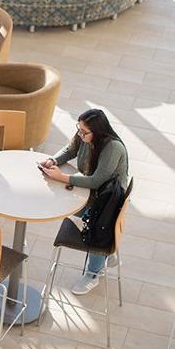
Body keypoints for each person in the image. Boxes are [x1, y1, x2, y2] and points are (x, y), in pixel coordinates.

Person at [39, 108, 130, 295]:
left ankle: (93, 273)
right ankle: (108, 255)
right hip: (93, 193)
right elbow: (70, 149)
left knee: (96, 226)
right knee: (67, 206)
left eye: (84, 132)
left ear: (98, 131)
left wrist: (62, 177)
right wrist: (52, 160)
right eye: (78, 129)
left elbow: (97, 180)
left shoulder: (112, 148)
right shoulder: (85, 136)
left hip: (107, 202)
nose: (80, 134)